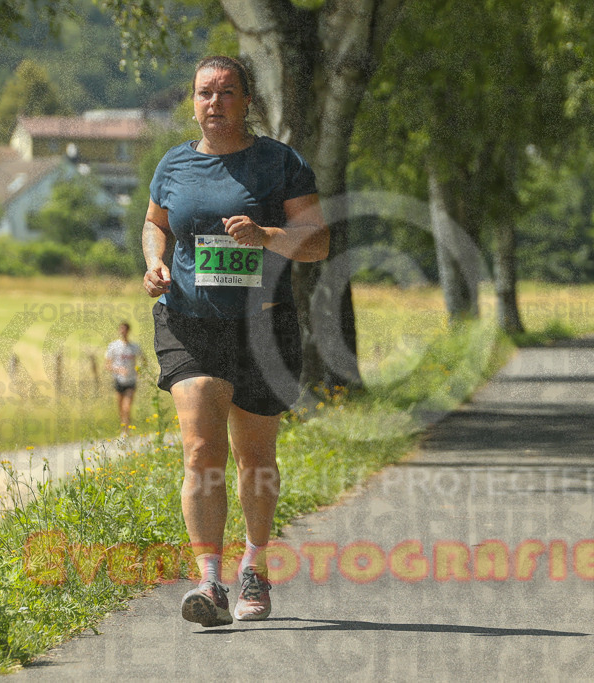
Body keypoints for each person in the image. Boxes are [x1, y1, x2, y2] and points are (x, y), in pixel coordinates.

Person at [142, 55, 329, 627]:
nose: (214, 103)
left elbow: (318, 242)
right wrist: (154, 262)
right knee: (202, 450)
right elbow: (155, 224)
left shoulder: (279, 163)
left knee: (254, 457)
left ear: (247, 100)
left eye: (227, 92)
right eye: (205, 93)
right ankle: (209, 582)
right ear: (193, 101)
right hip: (189, 323)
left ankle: (255, 565)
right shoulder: (174, 164)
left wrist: (265, 234)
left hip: (263, 328)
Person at [104, 321, 144, 428]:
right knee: (121, 408)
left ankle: (126, 431)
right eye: (121, 329)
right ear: (119, 330)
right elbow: (107, 365)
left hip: (131, 380)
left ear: (128, 331)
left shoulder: (135, 347)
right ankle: (123, 427)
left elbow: (144, 360)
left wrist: (139, 371)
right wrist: (118, 370)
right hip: (118, 380)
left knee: (127, 407)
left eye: (125, 330)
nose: (123, 332)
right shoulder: (113, 346)